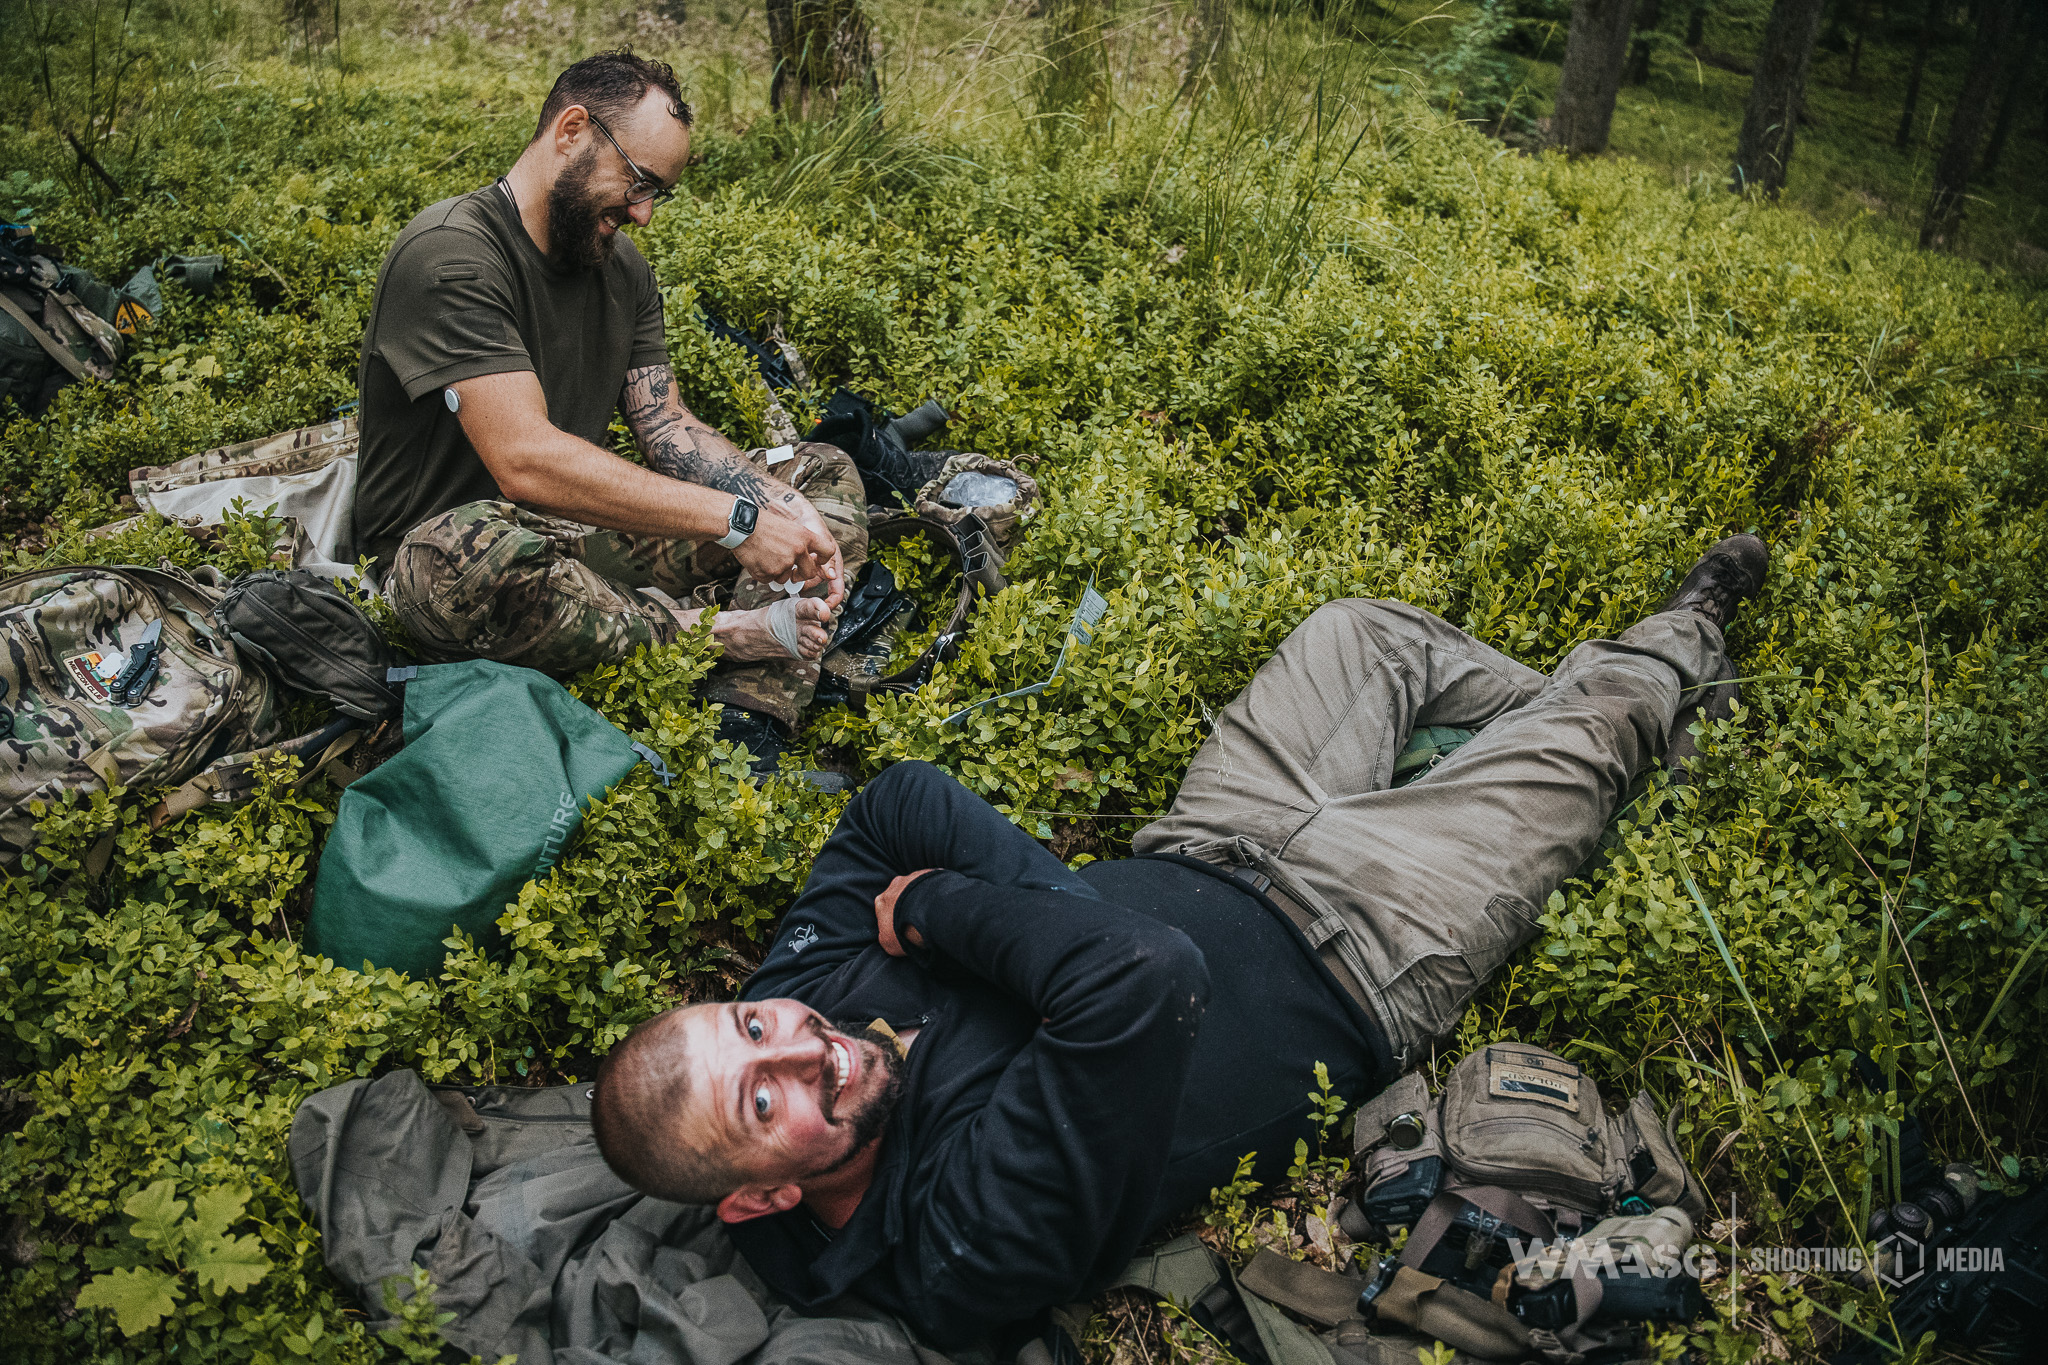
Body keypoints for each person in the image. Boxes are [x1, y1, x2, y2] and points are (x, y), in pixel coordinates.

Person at [589, 534, 1771, 1349]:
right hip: (1369, 940)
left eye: (754, 1024)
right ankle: (1670, 649)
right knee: (1599, 732)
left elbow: (896, 798)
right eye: (763, 1103)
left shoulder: (794, 999)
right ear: (754, 1202)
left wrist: (1060, 916)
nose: (804, 1046)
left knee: (1357, 633)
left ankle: (1562, 706)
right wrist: (938, 912)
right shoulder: (957, 1248)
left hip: (1214, 835)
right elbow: (1143, 973)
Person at [352, 49, 863, 775]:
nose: (645, 213)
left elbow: (668, 427)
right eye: (639, 181)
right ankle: (712, 633)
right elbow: (523, 459)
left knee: (820, 473)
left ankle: (746, 727)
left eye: (661, 193)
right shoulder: (450, 255)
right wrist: (736, 522)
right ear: (571, 131)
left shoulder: (619, 267)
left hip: (572, 538)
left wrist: (780, 508)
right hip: (452, 555)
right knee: (469, 558)